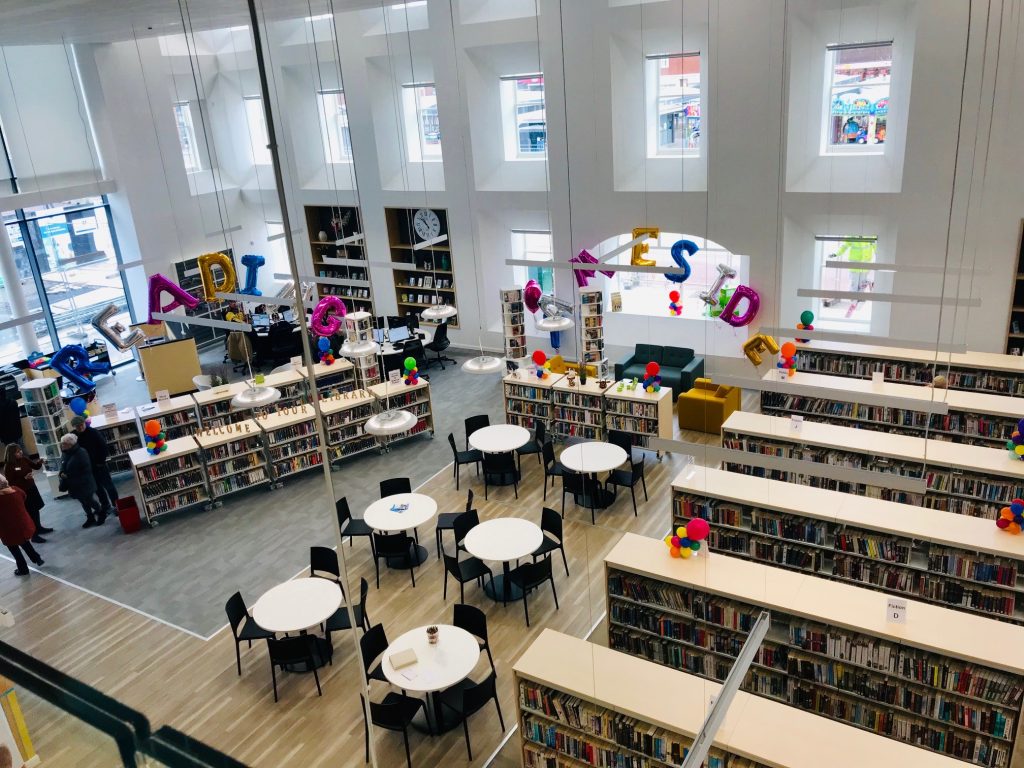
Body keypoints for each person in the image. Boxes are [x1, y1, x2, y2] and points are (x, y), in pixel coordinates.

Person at [3, 444, 50, 543]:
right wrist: (24, 478)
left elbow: (36, 467)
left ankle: (39, 527)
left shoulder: (24, 459)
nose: (20, 452)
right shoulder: (9, 466)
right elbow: (11, 483)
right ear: (11, 454)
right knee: (30, 512)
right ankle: (34, 535)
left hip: (32, 488)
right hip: (23, 491)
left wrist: (40, 462)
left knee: (36, 509)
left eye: (20, 450)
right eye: (17, 451)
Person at [71, 415, 117, 514]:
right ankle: (106, 505)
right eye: (77, 426)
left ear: (85, 423)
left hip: (99, 465)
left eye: (82, 425)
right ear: (74, 427)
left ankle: (116, 505)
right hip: (87, 468)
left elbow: (103, 447)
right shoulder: (73, 436)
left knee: (109, 486)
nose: (80, 427)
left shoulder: (93, 432)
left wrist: (100, 462)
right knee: (97, 488)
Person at [0, 474, 43, 577]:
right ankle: (37, 558)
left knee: (14, 549)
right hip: (21, 524)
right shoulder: (16, 490)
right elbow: (24, 497)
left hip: (7, 528)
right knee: (24, 543)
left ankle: (23, 569)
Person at [59, 433, 105, 528]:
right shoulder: (65, 453)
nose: (62, 445)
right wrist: (61, 473)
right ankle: (90, 517)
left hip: (84, 483)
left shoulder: (81, 453)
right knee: (83, 502)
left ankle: (101, 513)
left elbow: (86, 470)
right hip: (74, 484)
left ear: (70, 444)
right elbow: (63, 465)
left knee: (89, 500)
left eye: (64, 443)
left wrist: (68, 475)